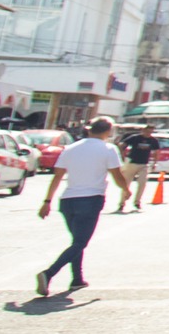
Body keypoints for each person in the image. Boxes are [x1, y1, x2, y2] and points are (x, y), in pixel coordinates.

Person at [35, 118, 131, 296]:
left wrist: (47, 201)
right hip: (91, 199)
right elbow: (117, 175)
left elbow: (57, 177)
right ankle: (48, 274)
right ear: (108, 132)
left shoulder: (71, 148)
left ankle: (77, 279)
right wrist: (125, 189)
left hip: (67, 200)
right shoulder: (108, 149)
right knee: (80, 242)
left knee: (76, 242)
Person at [116, 123, 157, 212]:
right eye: (147, 131)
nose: (148, 133)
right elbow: (122, 145)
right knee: (126, 184)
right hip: (132, 163)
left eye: (150, 132)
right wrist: (122, 155)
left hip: (144, 164)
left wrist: (155, 163)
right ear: (143, 130)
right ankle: (122, 203)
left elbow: (157, 151)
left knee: (142, 183)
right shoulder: (135, 138)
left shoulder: (153, 140)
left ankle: (137, 202)